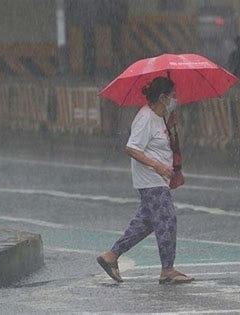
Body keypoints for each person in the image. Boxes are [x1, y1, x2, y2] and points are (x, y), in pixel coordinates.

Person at [97, 77, 194, 284]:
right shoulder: (145, 117)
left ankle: (111, 256)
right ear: (162, 97)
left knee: (146, 222)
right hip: (151, 180)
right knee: (167, 220)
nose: (175, 99)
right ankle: (167, 269)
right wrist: (157, 166)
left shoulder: (161, 117)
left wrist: (173, 126)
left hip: (158, 180)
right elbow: (132, 148)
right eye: (172, 96)